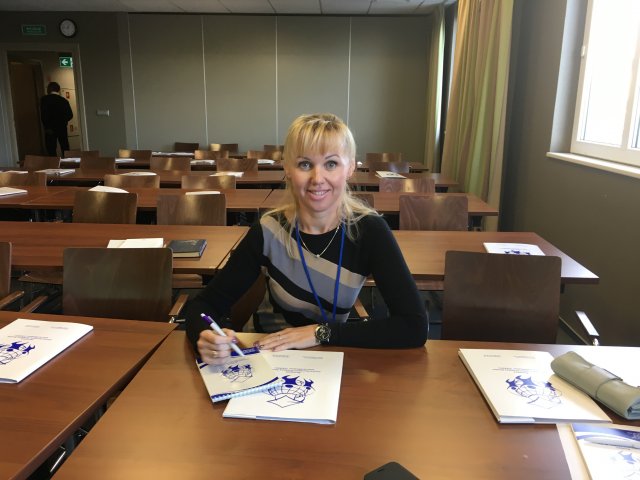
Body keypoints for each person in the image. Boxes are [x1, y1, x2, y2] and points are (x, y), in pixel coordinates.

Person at [185, 113, 428, 364]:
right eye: (304, 164)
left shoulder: (370, 231)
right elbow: (204, 305)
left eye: (331, 164)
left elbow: (414, 326)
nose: (317, 179)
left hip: (330, 356)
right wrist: (204, 336)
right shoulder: (269, 230)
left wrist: (318, 333)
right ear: (288, 169)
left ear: (350, 168)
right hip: (267, 354)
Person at [40, 82, 73, 156]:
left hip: (50, 129)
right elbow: (70, 115)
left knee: (51, 149)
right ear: (58, 89)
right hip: (62, 127)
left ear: (49, 89)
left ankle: (54, 162)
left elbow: (44, 114)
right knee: (65, 147)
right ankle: (67, 161)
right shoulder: (64, 101)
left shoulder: (45, 99)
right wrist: (63, 121)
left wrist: (47, 126)